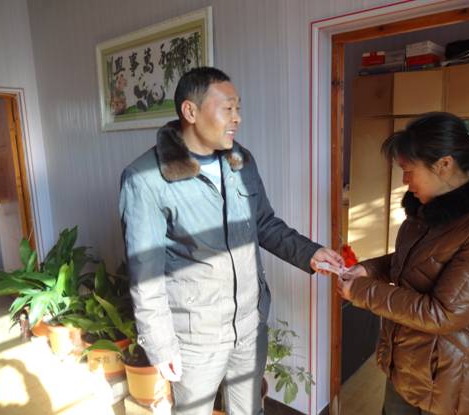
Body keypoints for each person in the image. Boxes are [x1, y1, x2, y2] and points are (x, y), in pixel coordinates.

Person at [119, 66, 343, 415]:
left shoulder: (241, 160)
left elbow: (264, 223)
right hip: (195, 336)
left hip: (250, 324)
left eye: (238, 108)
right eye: (227, 108)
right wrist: (161, 346)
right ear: (190, 111)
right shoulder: (146, 177)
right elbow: (145, 275)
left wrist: (310, 253)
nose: (237, 118)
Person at [337, 112, 469, 415]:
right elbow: (414, 260)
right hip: (406, 364)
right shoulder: (426, 211)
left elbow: (443, 314)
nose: (404, 180)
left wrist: (360, 291)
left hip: (450, 377)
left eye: (408, 170)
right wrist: (369, 269)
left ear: (444, 165)